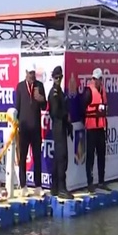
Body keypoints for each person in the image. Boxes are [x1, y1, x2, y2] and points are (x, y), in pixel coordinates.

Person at [15, 67, 47, 196]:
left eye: (33, 74)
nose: (32, 76)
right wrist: (16, 125)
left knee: (37, 157)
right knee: (22, 157)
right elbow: (17, 107)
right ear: (26, 73)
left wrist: (41, 99)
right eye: (30, 74)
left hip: (35, 129)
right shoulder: (20, 87)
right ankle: (23, 185)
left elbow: (44, 106)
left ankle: (38, 186)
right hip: (23, 128)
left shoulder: (39, 85)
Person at [82, 68, 110, 192]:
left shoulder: (103, 90)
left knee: (101, 155)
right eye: (97, 79)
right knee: (90, 156)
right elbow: (82, 106)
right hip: (91, 128)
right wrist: (85, 121)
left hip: (101, 128)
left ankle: (101, 181)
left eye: (100, 79)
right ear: (93, 79)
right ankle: (90, 182)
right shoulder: (88, 91)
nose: (99, 82)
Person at [47, 66, 74, 199]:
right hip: (58, 127)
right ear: (53, 78)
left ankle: (55, 187)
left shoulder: (60, 92)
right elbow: (55, 112)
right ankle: (61, 188)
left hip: (62, 126)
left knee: (60, 158)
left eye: (60, 77)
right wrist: (66, 115)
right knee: (61, 158)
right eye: (56, 77)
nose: (58, 80)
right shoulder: (54, 93)